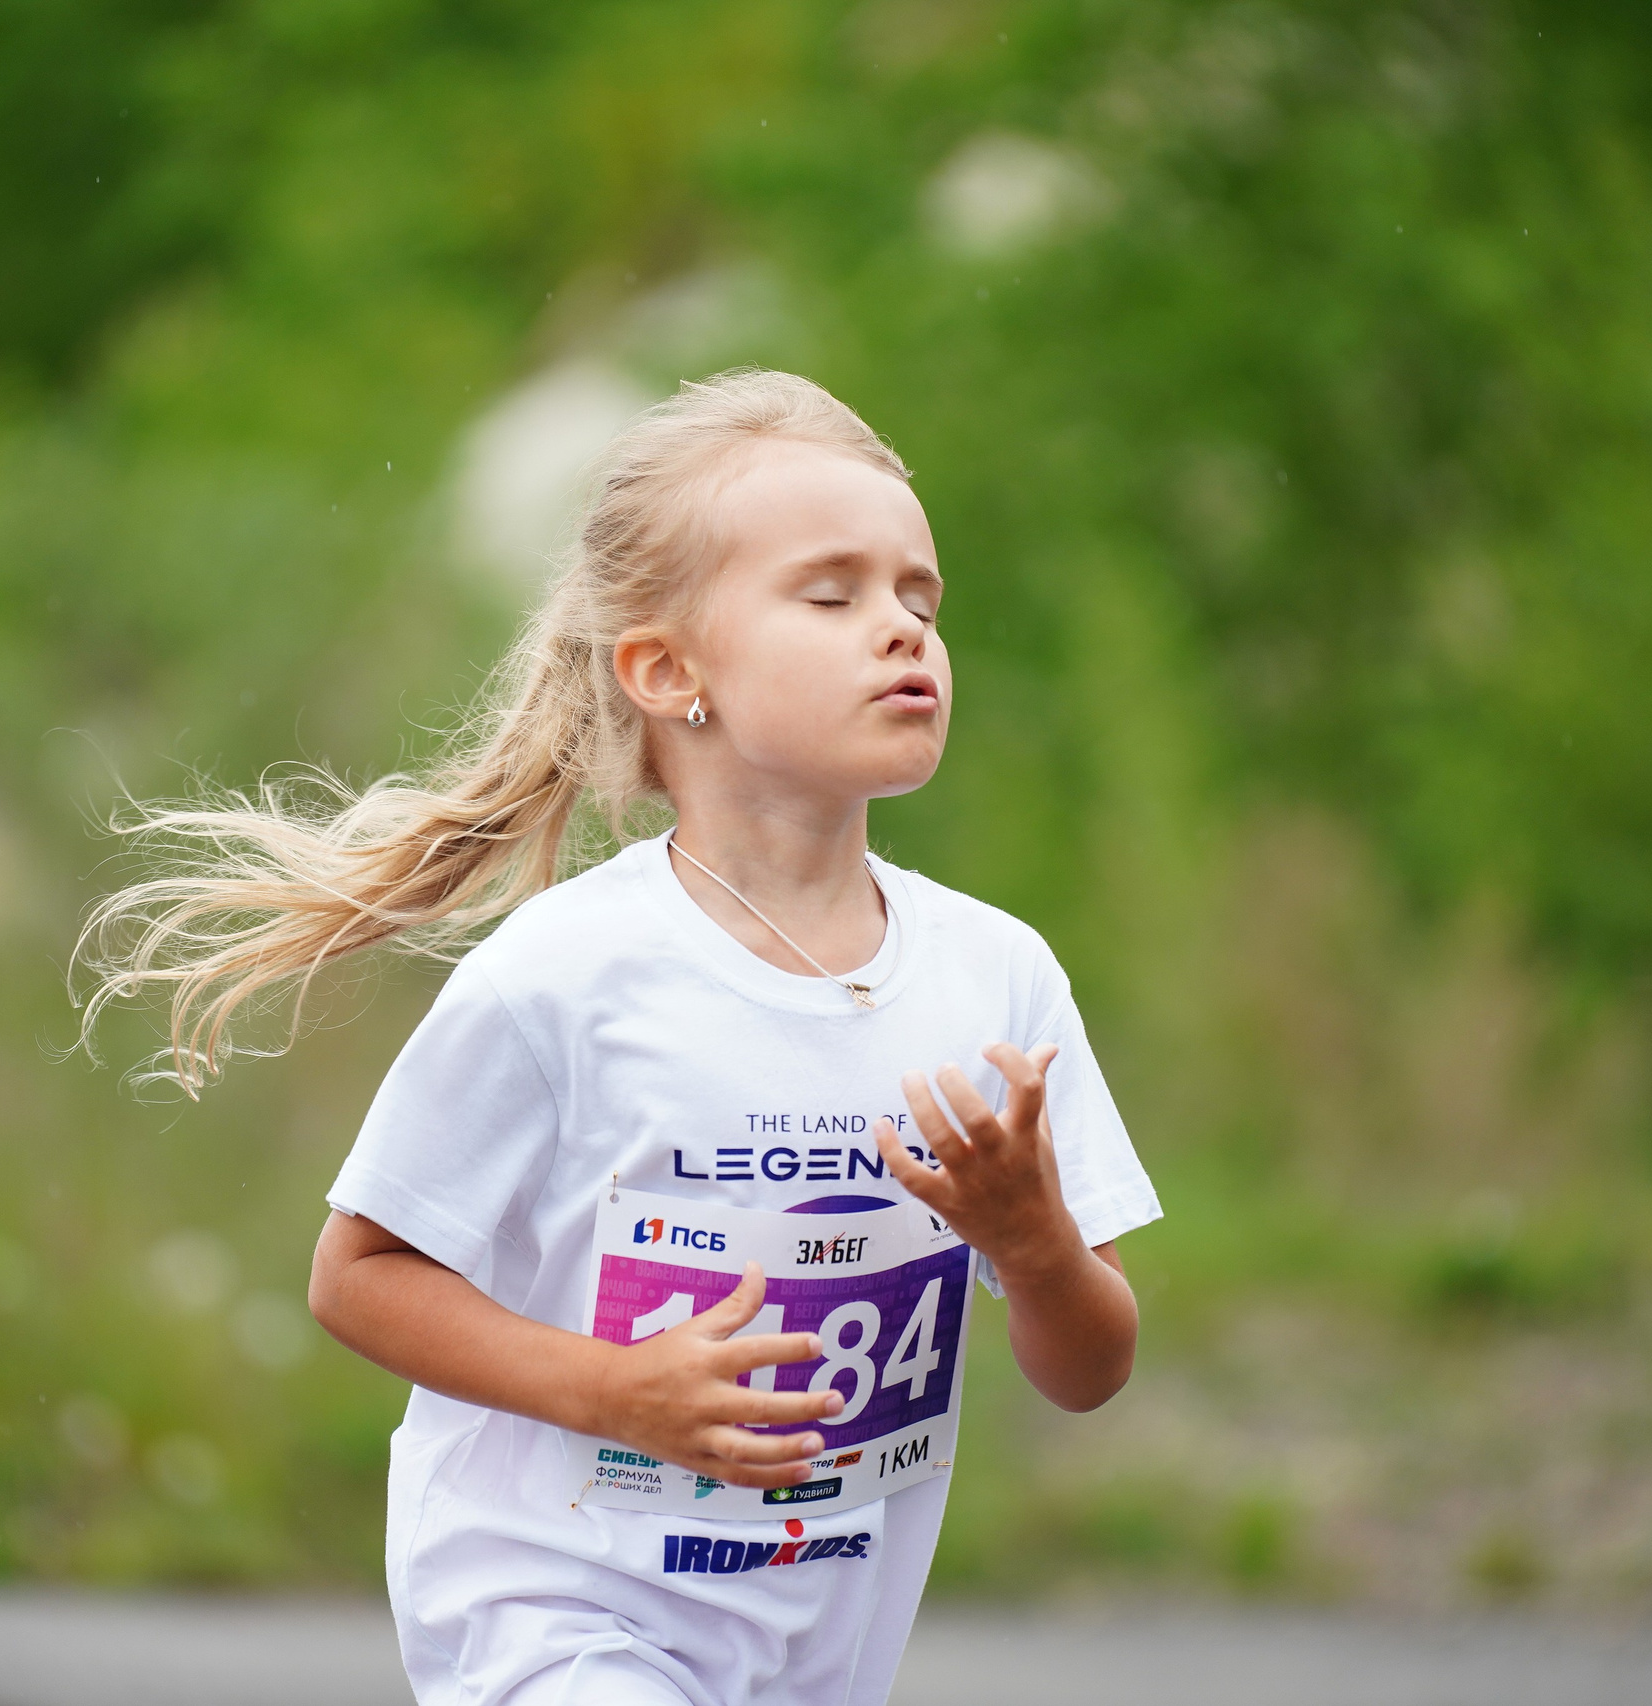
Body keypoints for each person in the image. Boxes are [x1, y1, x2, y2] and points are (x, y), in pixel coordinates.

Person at [83, 369, 1160, 1705]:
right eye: (832, 594)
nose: (901, 631)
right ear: (666, 671)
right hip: (556, 1610)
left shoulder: (995, 975)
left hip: (815, 1644)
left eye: (919, 598)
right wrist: (618, 1391)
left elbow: (1090, 1366)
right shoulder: (567, 972)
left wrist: (1033, 1240)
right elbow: (357, 1275)